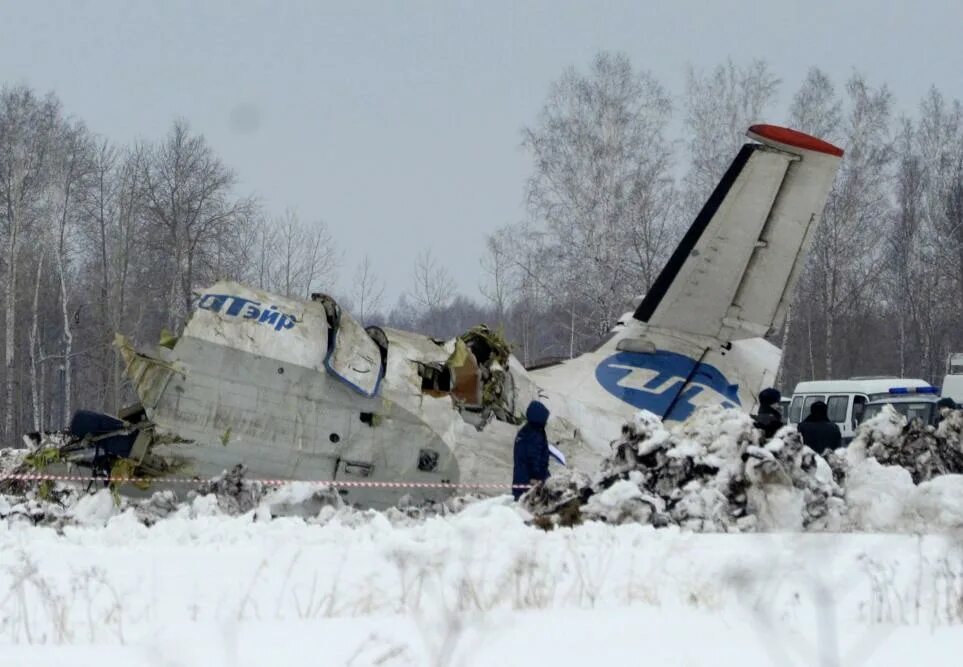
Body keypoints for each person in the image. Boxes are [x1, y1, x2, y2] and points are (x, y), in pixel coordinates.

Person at [512, 400, 551, 500]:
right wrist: (536, 477)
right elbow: (533, 457)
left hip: (520, 479)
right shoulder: (535, 434)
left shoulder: (525, 431)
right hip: (530, 482)